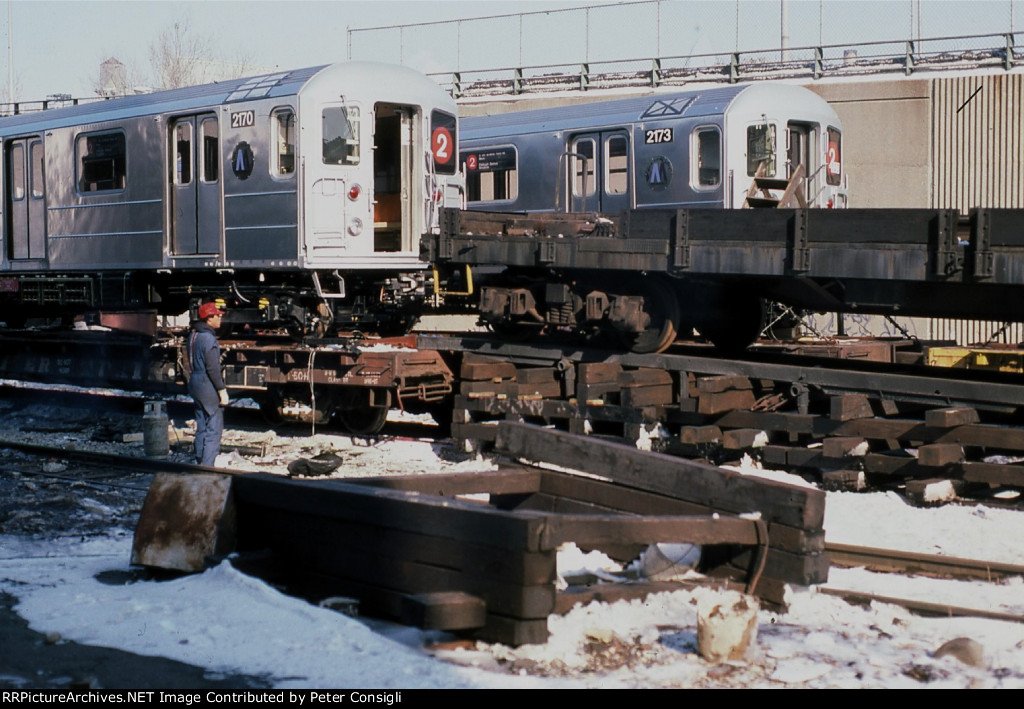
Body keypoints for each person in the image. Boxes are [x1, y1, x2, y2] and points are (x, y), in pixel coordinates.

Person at [186, 301, 229, 466]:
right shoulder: (208, 338)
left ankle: (199, 460)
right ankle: (207, 466)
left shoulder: (193, 335)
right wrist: (221, 390)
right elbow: (212, 368)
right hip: (206, 383)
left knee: (201, 424)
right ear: (209, 318)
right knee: (214, 426)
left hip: (195, 381)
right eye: (218, 315)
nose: (220, 319)